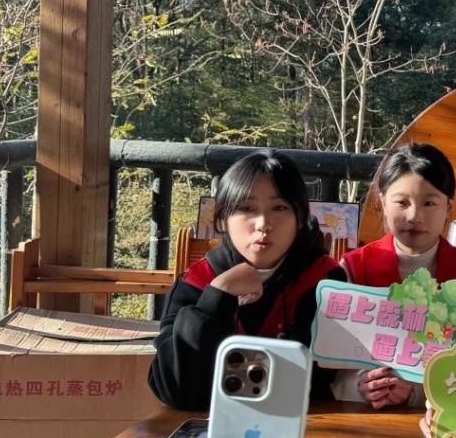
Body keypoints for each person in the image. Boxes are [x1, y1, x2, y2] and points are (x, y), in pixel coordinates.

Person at [148, 151, 345, 410]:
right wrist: (218, 295)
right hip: (208, 426)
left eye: (279, 208)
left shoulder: (324, 281)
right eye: (247, 208)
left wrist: (219, 373)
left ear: (300, 219)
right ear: (222, 219)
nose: (263, 224)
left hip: (304, 425)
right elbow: (172, 388)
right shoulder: (197, 281)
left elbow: (314, 380)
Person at [333, 142, 456, 409]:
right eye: (402, 202)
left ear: (448, 207)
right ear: (382, 202)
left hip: (444, 420)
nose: (415, 216)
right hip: (360, 417)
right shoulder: (353, 269)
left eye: (429, 203)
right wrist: (360, 386)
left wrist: (417, 392)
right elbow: (331, 364)